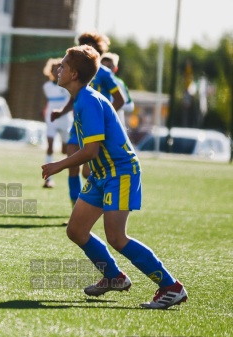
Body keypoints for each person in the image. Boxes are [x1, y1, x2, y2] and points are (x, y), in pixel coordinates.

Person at [42, 45, 188, 309]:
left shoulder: (87, 100)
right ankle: (113, 276)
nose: (58, 69)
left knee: (117, 237)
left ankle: (170, 286)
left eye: (63, 65)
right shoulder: (81, 99)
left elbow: (91, 150)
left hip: (120, 173)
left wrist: (59, 165)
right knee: (76, 230)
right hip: (102, 174)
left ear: (74, 74)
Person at [51, 32, 125, 209]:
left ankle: (99, 203)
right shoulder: (77, 80)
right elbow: (75, 97)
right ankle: (74, 208)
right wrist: (61, 112)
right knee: (73, 166)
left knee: (87, 171)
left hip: (94, 126)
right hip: (78, 126)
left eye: (89, 46)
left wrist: (105, 120)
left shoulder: (104, 73)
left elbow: (120, 99)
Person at [41, 58, 73, 188]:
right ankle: (48, 179)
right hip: (51, 119)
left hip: (65, 119)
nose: (57, 72)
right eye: (55, 70)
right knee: (49, 145)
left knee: (66, 150)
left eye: (60, 69)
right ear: (50, 72)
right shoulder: (46, 87)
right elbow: (51, 103)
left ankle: (72, 174)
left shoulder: (67, 86)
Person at [101, 52, 134, 129]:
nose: (106, 71)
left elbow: (130, 106)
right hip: (100, 126)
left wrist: (115, 104)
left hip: (116, 127)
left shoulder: (119, 83)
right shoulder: (94, 82)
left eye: (109, 67)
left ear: (115, 68)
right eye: (103, 67)